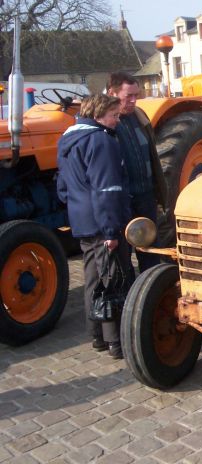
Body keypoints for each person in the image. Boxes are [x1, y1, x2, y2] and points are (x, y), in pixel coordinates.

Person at [56, 94, 135, 359]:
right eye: (114, 115)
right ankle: (116, 341)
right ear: (99, 114)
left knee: (93, 279)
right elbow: (108, 189)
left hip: (82, 221)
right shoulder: (100, 141)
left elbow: (63, 188)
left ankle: (96, 335)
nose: (117, 120)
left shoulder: (67, 140)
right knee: (112, 279)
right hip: (103, 223)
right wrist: (112, 231)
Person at [106, 72, 167, 273]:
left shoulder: (139, 117)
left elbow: (151, 155)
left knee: (150, 249)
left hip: (145, 195)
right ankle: (129, 296)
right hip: (123, 199)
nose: (133, 100)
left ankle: (153, 288)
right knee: (123, 254)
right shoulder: (106, 123)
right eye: (128, 96)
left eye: (136, 95)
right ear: (112, 93)